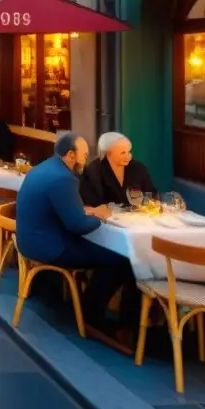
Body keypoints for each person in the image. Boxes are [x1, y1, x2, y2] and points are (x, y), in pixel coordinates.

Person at [15, 133, 138, 347]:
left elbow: (64, 212)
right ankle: (91, 316)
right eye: (84, 155)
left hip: (29, 241)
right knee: (122, 260)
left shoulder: (43, 168)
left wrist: (84, 212)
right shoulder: (64, 178)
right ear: (71, 154)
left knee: (107, 254)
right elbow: (77, 226)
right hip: (50, 246)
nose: (86, 160)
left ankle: (86, 308)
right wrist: (99, 216)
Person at [80, 132, 157, 207]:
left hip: (136, 216)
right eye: (123, 153)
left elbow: (149, 193)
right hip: (104, 218)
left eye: (129, 152)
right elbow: (90, 203)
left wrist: (146, 206)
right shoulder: (93, 171)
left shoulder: (137, 168)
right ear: (109, 154)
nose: (129, 156)